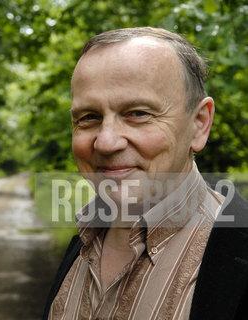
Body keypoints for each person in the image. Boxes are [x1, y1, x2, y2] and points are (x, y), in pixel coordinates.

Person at [43, 27, 248, 320]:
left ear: (199, 124)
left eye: (138, 113)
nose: (106, 141)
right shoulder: (84, 238)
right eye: (89, 117)